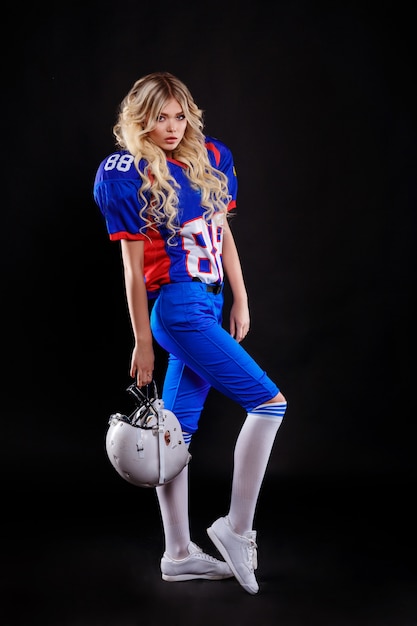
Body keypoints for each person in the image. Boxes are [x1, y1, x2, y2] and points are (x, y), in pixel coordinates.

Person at [93, 71, 287, 595]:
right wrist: (141, 341)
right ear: (141, 118)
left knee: (171, 436)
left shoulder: (211, 158)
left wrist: (240, 297)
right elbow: (133, 271)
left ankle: (178, 553)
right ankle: (237, 528)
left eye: (180, 115)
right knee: (269, 405)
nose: (173, 126)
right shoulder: (127, 173)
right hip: (177, 309)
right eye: (161, 116)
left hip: (209, 300)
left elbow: (222, 234)